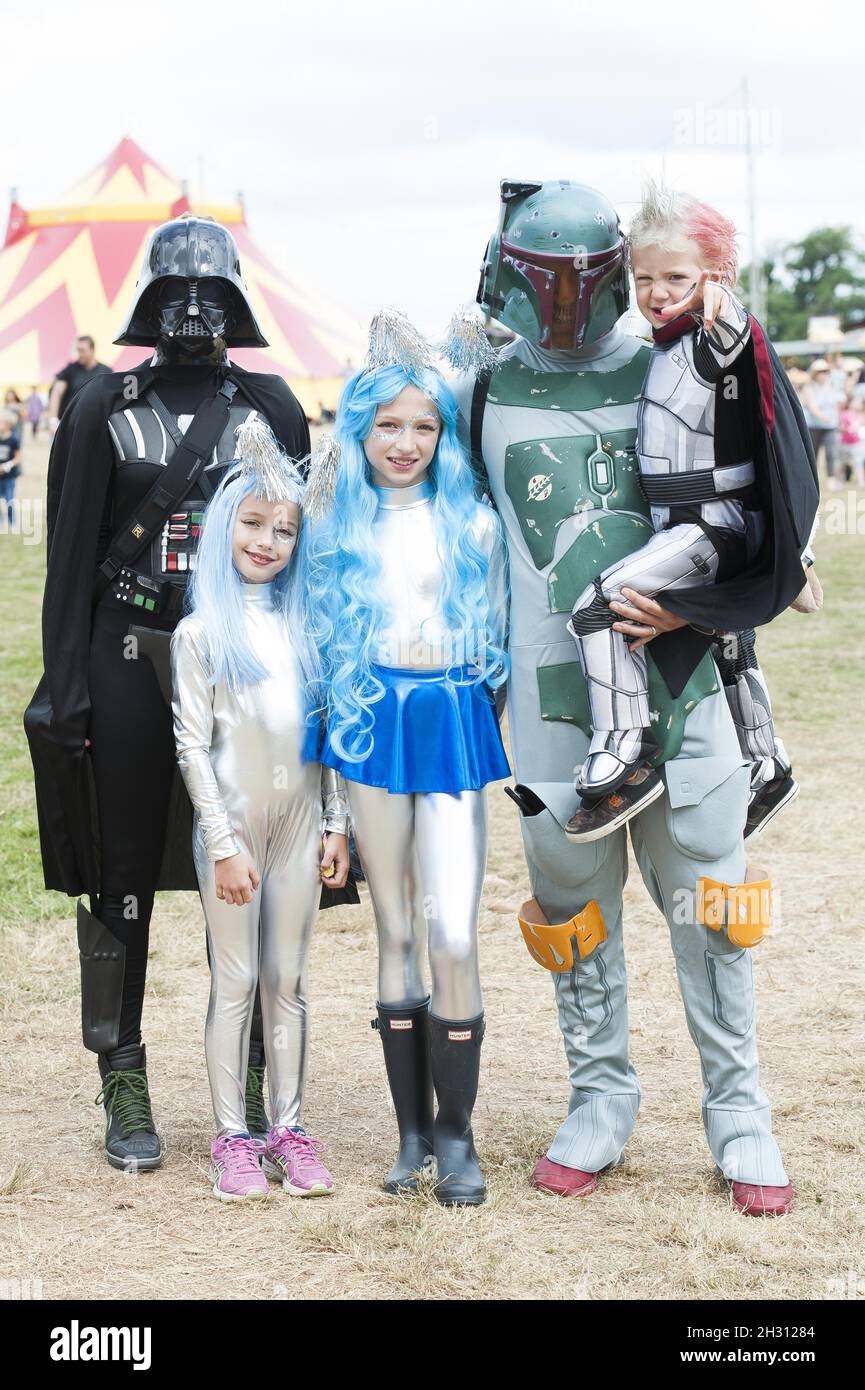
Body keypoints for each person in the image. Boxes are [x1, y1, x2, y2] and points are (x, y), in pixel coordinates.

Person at [452, 179, 817, 1216]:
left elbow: (764, 498)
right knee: (571, 907)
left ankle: (738, 1108)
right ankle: (598, 1096)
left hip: (686, 682)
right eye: (543, 280)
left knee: (712, 903)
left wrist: (711, 607)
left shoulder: (686, 359)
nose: (564, 301)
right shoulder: (476, 390)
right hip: (546, 698)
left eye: (583, 278)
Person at [24, 215, 312, 1172]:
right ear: (149, 301)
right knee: (121, 871)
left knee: (260, 854)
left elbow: (300, 555)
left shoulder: (270, 409)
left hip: (245, 658)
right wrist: (65, 687)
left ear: (235, 302)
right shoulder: (105, 401)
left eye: (213, 294)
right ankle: (125, 1074)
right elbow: (68, 561)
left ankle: (267, 1072)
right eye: (177, 294)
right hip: (126, 653)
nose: (194, 311)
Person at [305, 311, 509, 1206]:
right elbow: (319, 660)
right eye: (388, 423)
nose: (406, 441)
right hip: (368, 724)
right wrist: (331, 816)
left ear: (444, 432)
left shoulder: (474, 522)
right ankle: (411, 1136)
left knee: (453, 934)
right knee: (393, 933)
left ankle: (459, 1137)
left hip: (452, 714)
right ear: (360, 426)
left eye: (424, 424)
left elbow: (502, 635)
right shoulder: (330, 524)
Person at [565, 186, 814, 840]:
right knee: (727, 640)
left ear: (710, 276)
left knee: (597, 606)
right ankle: (765, 760)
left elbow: (733, 327)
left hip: (714, 523)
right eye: (642, 277)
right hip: (685, 525)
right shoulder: (666, 346)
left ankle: (626, 744)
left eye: (675, 276)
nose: (655, 290)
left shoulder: (712, 335)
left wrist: (716, 290)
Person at [171, 416, 350, 1202]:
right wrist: (219, 841)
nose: (268, 541)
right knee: (236, 980)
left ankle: (289, 1127)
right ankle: (232, 1137)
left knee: (290, 978)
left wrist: (338, 824)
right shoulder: (201, 632)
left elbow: (326, 736)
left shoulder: (308, 628)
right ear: (223, 528)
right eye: (252, 523)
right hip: (235, 831)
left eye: (284, 530)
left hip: (302, 827)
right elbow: (190, 746)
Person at [48, 336, 111, 430]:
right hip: (70, 425)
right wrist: (53, 420)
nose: (79, 354)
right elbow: (56, 394)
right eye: (78, 350)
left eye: (82, 350)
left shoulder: (106, 371)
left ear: (92, 350)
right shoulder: (70, 370)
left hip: (96, 425)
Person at [800, 359, 844, 486]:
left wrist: (838, 420)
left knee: (831, 452)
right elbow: (813, 407)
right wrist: (823, 417)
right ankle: (811, 481)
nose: (823, 374)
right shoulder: (809, 388)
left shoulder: (832, 386)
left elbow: (838, 405)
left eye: (825, 371)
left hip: (831, 425)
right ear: (815, 373)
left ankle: (831, 479)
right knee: (813, 454)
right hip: (814, 425)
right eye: (820, 371)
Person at [0, 408, 22, 526]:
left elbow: (18, 457)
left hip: (9, 477)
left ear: (8, 424)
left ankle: (12, 522)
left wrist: (7, 466)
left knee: (9, 500)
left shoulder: (13, 440)